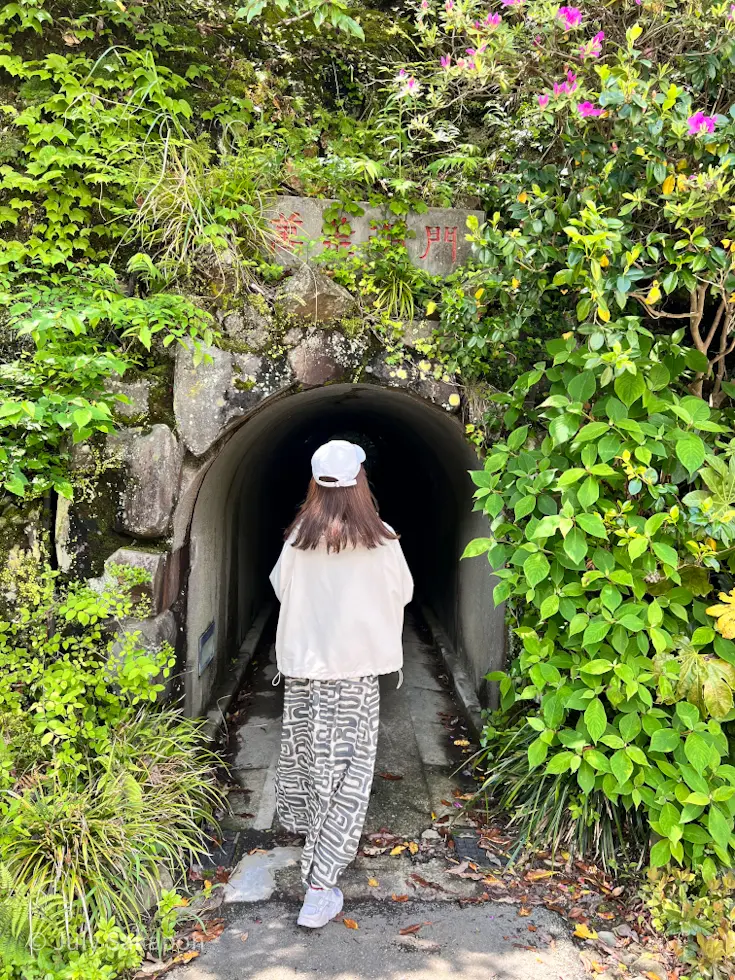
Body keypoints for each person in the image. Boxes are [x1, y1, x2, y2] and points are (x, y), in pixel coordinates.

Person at [269, 439, 413, 929]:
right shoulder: (383, 540)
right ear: (361, 483)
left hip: (307, 672)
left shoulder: (298, 540)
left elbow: (279, 588)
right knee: (348, 778)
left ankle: (317, 861)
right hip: (354, 677)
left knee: (313, 765)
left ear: (315, 483)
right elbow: (404, 592)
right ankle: (319, 885)